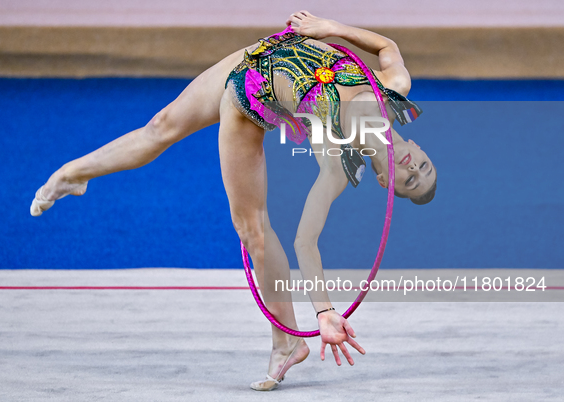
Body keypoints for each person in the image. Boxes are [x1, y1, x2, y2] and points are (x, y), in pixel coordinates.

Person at [30, 11, 435, 391]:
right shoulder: (393, 88)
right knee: (159, 126)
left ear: (384, 181)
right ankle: (71, 174)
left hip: (249, 102)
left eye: (409, 180)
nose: (411, 167)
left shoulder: (338, 163)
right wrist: (332, 27)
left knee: (252, 230)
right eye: (423, 166)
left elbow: (305, 243)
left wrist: (325, 311)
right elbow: (388, 48)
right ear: (417, 146)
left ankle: (287, 343)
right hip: (258, 56)